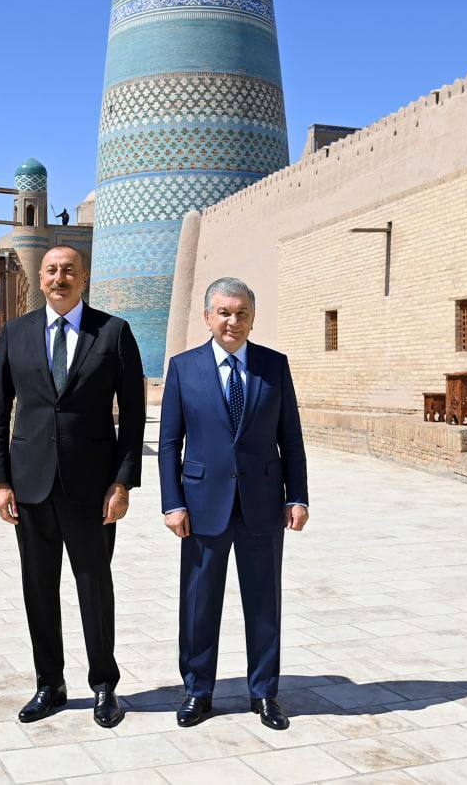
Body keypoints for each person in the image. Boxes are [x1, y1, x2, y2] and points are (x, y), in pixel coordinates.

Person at [0, 244, 145, 728]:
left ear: (84, 277)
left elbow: (133, 417)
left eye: (69, 270)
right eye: (51, 270)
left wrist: (122, 482)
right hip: (30, 485)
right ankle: (49, 685)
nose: (60, 278)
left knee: (94, 585)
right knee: (38, 589)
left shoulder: (113, 333)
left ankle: (104, 686)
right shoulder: (15, 334)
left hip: (92, 489)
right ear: (40, 279)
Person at [158, 276, 309, 731]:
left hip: (262, 503)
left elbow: (291, 438)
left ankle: (264, 693)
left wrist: (297, 496)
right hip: (202, 505)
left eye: (242, 313)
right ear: (207, 317)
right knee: (199, 602)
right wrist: (172, 502)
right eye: (224, 312)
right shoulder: (184, 368)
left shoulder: (273, 367)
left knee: (264, 602)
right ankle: (197, 690)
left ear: (252, 317)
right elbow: (170, 443)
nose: (233, 321)